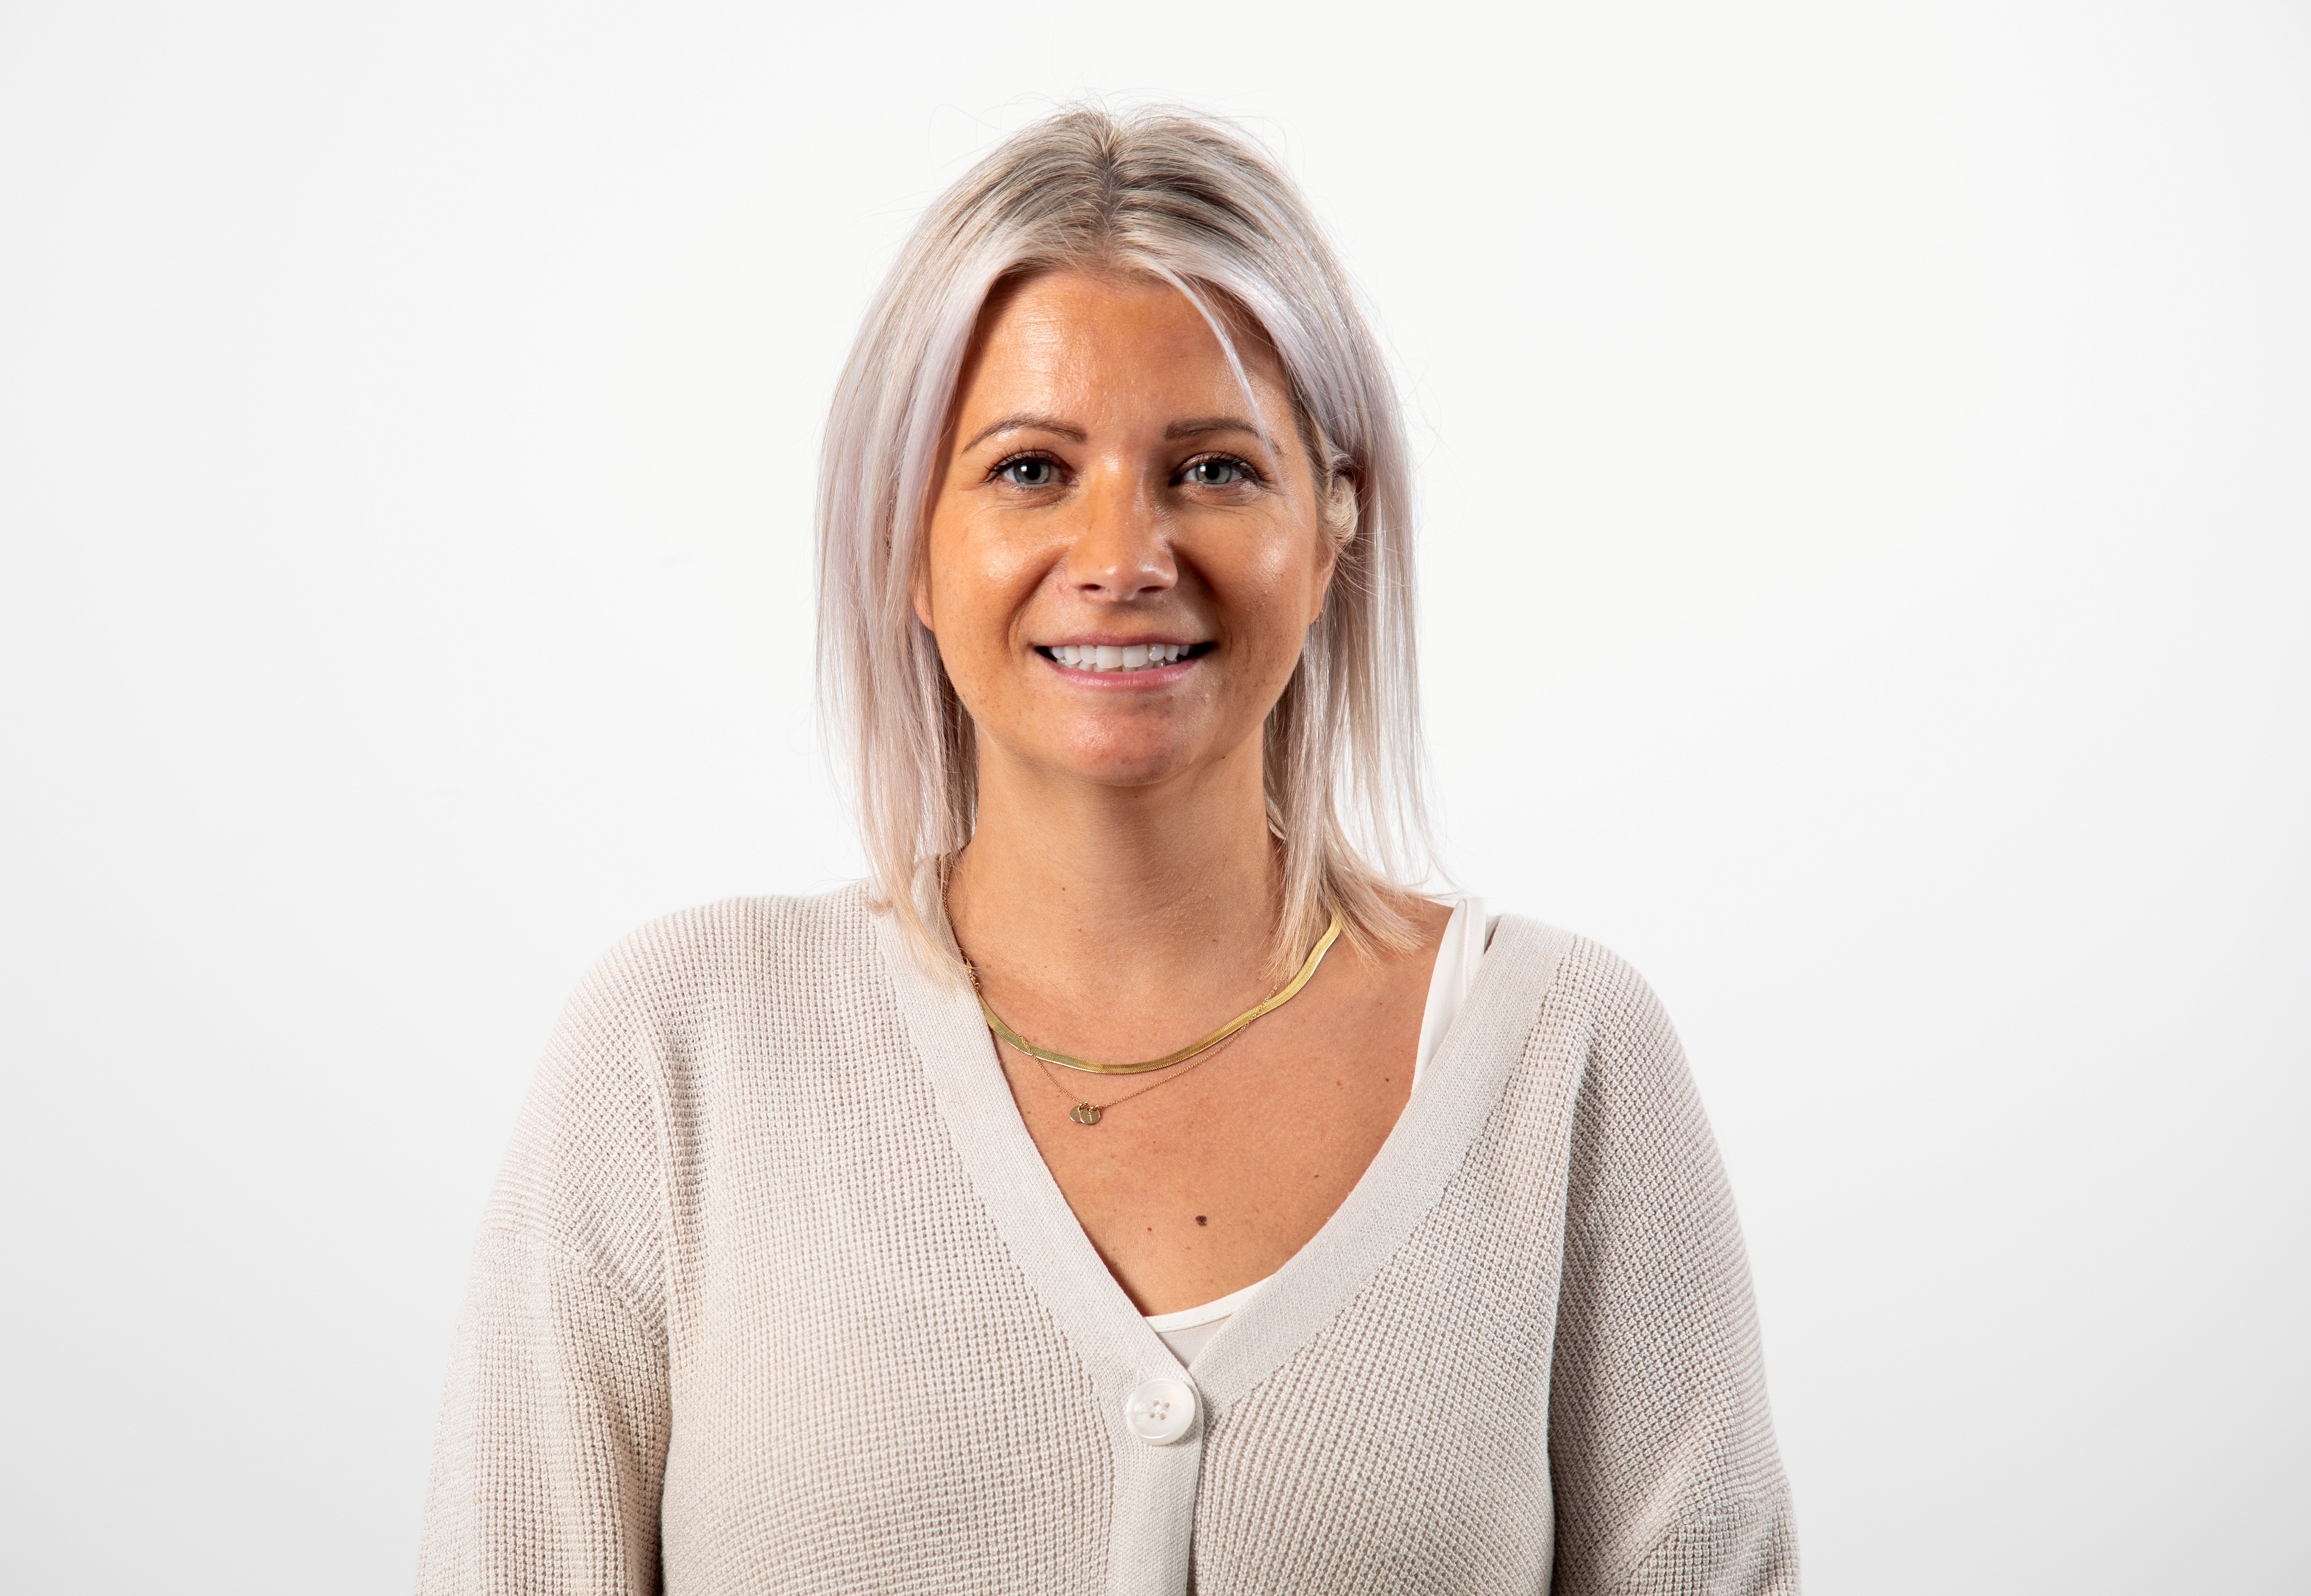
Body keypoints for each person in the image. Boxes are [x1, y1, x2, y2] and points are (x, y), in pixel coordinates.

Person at [417, 105, 1798, 1595]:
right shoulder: (682, 1048)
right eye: (1028, 470)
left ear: (1335, 524)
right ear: (903, 546)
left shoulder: (1562, 1058)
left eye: (1212, 469)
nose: (1124, 556)